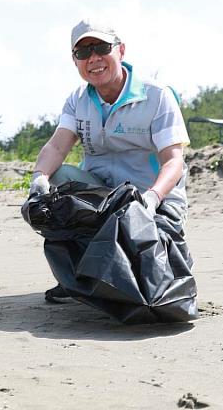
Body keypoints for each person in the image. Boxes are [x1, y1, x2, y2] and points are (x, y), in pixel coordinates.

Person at [29, 18, 190, 302]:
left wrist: (152, 198)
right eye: (83, 52)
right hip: (102, 197)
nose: (93, 58)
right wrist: (38, 178)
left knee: (150, 272)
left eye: (101, 47)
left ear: (121, 50)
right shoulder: (77, 100)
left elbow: (173, 161)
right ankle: (76, 276)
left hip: (150, 198)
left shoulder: (158, 96)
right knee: (58, 179)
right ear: (75, 61)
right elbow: (57, 146)